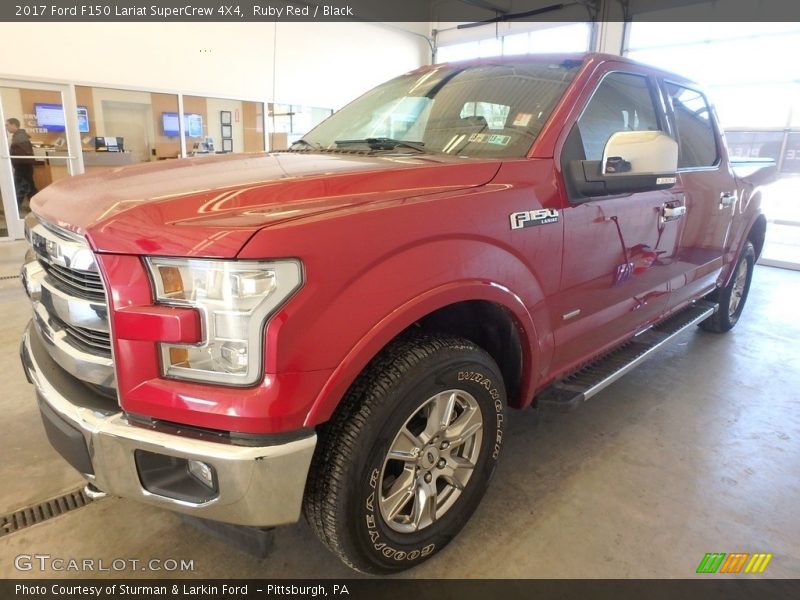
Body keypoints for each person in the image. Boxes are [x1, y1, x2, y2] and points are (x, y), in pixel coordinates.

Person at [5, 117, 37, 210]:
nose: (6, 127)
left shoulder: (19, 137)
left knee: (21, 188)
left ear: (14, 125)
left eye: (7, 125)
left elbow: (21, 154)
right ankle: (36, 208)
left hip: (22, 167)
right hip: (24, 166)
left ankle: (14, 210)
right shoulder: (19, 135)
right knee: (30, 188)